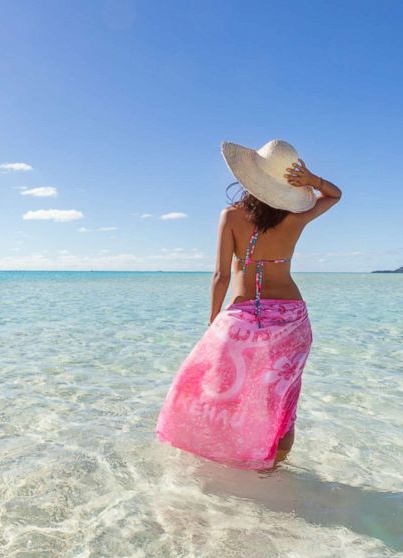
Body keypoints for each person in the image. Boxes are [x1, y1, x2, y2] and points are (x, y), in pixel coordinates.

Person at [155, 139, 342, 470]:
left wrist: (214, 322)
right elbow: (335, 195)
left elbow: (220, 276)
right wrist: (312, 180)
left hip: (242, 318)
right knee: (281, 398)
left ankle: (224, 457)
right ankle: (275, 470)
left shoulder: (231, 216)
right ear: (288, 185)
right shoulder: (296, 217)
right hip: (291, 320)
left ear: (250, 178)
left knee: (216, 389)